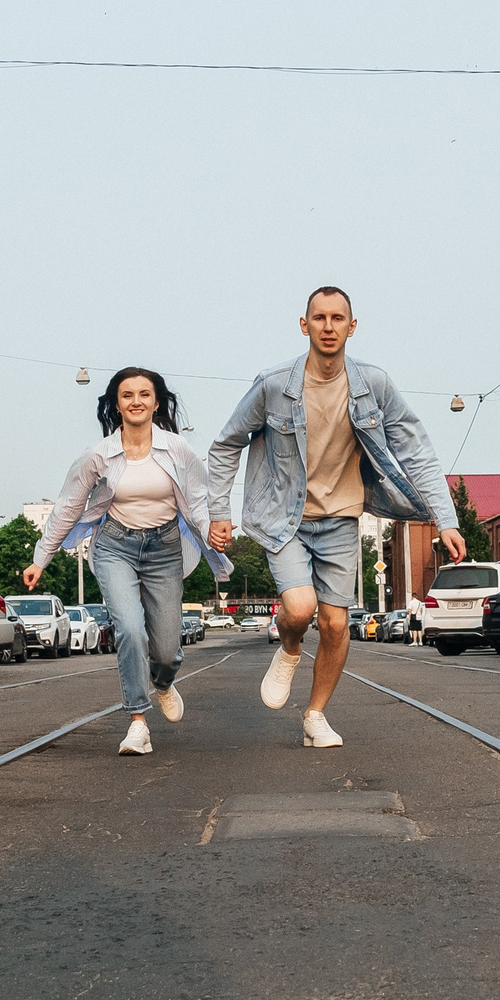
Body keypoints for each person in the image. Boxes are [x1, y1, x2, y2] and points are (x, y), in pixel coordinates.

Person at [207, 286, 463, 748]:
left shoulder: (373, 384)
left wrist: (445, 519)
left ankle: (315, 714)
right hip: (284, 518)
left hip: (341, 518)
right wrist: (219, 512)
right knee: (301, 609)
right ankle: (288, 649)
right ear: (304, 325)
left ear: (352, 326)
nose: (328, 326)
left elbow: (415, 449)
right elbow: (227, 443)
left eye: (337, 318)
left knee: (336, 624)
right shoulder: (273, 385)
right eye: (319, 318)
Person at [27, 367, 230, 756]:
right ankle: (138, 720)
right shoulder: (98, 456)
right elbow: (68, 507)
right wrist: (42, 557)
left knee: (168, 650)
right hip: (114, 547)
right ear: (116, 405)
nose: (136, 401)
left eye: (144, 394)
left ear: (156, 402)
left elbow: (199, 502)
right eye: (127, 395)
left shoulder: (178, 450)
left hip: (165, 549)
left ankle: (164, 682)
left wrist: (212, 534)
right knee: (130, 629)